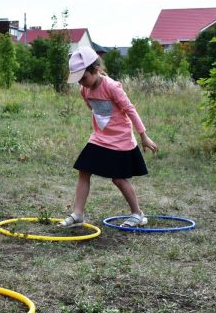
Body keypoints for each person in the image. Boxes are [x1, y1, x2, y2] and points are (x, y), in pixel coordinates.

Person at [59, 46, 158, 229]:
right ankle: (78, 214)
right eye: (78, 80)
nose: (82, 83)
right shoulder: (84, 90)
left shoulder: (112, 87)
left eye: (84, 78)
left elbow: (130, 110)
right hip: (100, 137)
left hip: (120, 139)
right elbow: (94, 109)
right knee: (84, 169)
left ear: (95, 70)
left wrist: (143, 135)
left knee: (118, 178)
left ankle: (137, 214)